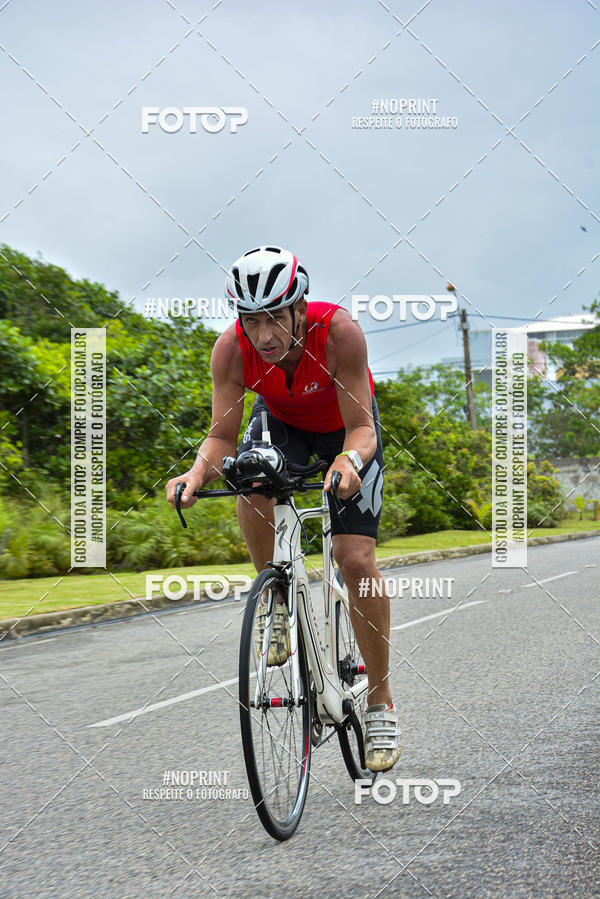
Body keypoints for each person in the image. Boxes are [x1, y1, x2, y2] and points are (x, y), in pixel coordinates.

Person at [166, 246, 401, 772]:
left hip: (346, 430)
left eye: (275, 316)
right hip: (283, 426)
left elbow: (363, 428)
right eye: (252, 320)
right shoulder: (231, 350)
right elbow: (222, 435)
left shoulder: (339, 333)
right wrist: (196, 472)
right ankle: (275, 598)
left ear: (299, 307)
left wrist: (348, 460)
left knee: (354, 559)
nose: (265, 334)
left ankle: (381, 701)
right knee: (247, 474)